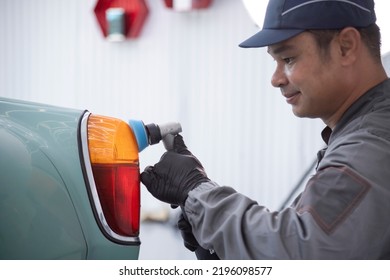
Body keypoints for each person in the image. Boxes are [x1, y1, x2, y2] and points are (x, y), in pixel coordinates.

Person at [141, 0, 390, 259]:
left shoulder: (370, 145)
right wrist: (217, 246)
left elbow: (301, 253)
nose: (276, 79)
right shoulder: (359, 136)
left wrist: (196, 191)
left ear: (346, 46)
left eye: (289, 58)